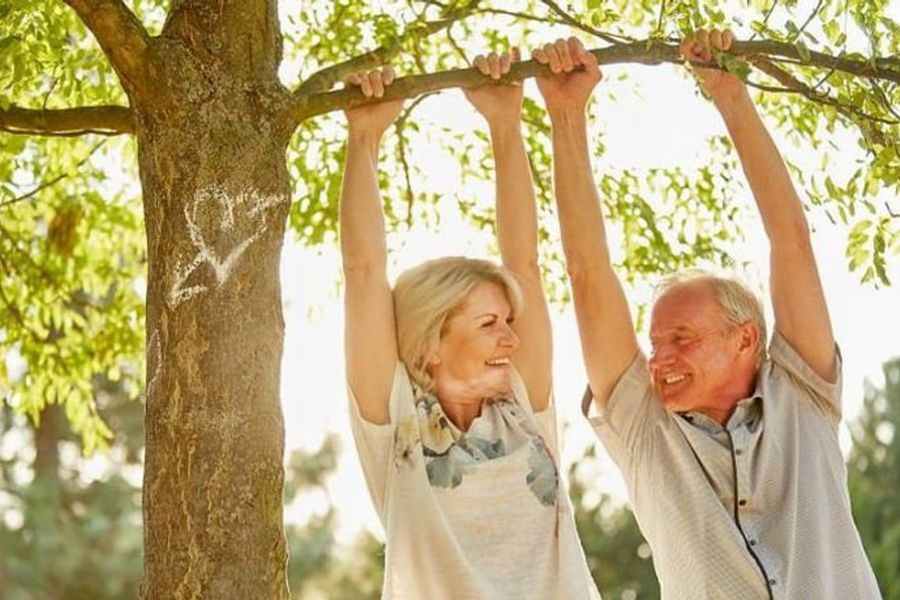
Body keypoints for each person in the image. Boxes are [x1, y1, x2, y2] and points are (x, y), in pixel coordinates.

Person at [532, 31, 881, 599]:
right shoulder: (645, 427)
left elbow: (791, 240)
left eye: (682, 338)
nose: (660, 358)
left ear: (745, 340)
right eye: (655, 343)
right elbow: (587, 273)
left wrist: (730, 94)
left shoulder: (803, 393)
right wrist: (566, 115)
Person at [340, 49, 600, 599]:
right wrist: (363, 137)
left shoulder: (522, 406)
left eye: (508, 320)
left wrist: (506, 123)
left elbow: (524, 262)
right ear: (431, 344)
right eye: (487, 324)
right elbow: (363, 272)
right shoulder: (397, 422)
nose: (511, 338)